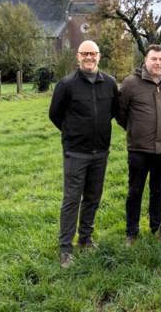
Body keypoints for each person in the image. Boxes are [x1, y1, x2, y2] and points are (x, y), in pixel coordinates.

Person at [49, 40, 120, 269]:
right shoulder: (66, 85)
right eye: (85, 54)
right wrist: (73, 134)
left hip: (100, 151)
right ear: (78, 57)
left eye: (93, 54)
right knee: (71, 200)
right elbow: (55, 114)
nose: (89, 57)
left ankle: (86, 239)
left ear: (99, 56)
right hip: (75, 152)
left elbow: (114, 112)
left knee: (93, 197)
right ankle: (65, 249)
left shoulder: (109, 83)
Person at [117, 44, 161, 245]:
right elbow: (120, 113)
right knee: (135, 191)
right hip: (139, 149)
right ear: (146, 60)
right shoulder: (131, 84)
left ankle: (158, 229)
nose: (158, 63)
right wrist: (135, 129)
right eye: (154, 59)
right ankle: (131, 232)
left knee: (158, 191)